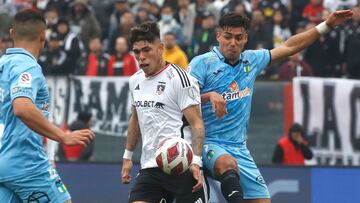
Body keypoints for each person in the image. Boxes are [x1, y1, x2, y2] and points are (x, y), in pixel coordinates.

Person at [189, 10, 353, 203]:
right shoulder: (201, 63)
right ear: (218, 36)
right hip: (209, 142)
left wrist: (327, 25)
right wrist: (209, 96)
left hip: (239, 148)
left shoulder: (252, 60)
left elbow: (290, 46)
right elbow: (180, 102)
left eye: (238, 38)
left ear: (245, 39)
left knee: (262, 200)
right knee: (227, 164)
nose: (232, 43)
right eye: (227, 37)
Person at [0, 10, 95, 203]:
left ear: (12, 34)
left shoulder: (3, 64)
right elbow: (22, 107)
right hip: (26, 161)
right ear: (43, 36)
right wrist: (64, 136)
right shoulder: (28, 67)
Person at [120, 21, 209, 203]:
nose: (141, 57)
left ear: (160, 48)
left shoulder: (180, 78)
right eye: (137, 52)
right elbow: (135, 120)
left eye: (147, 50)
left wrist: (196, 162)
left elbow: (196, 123)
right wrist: (128, 157)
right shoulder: (134, 81)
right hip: (151, 166)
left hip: (182, 165)